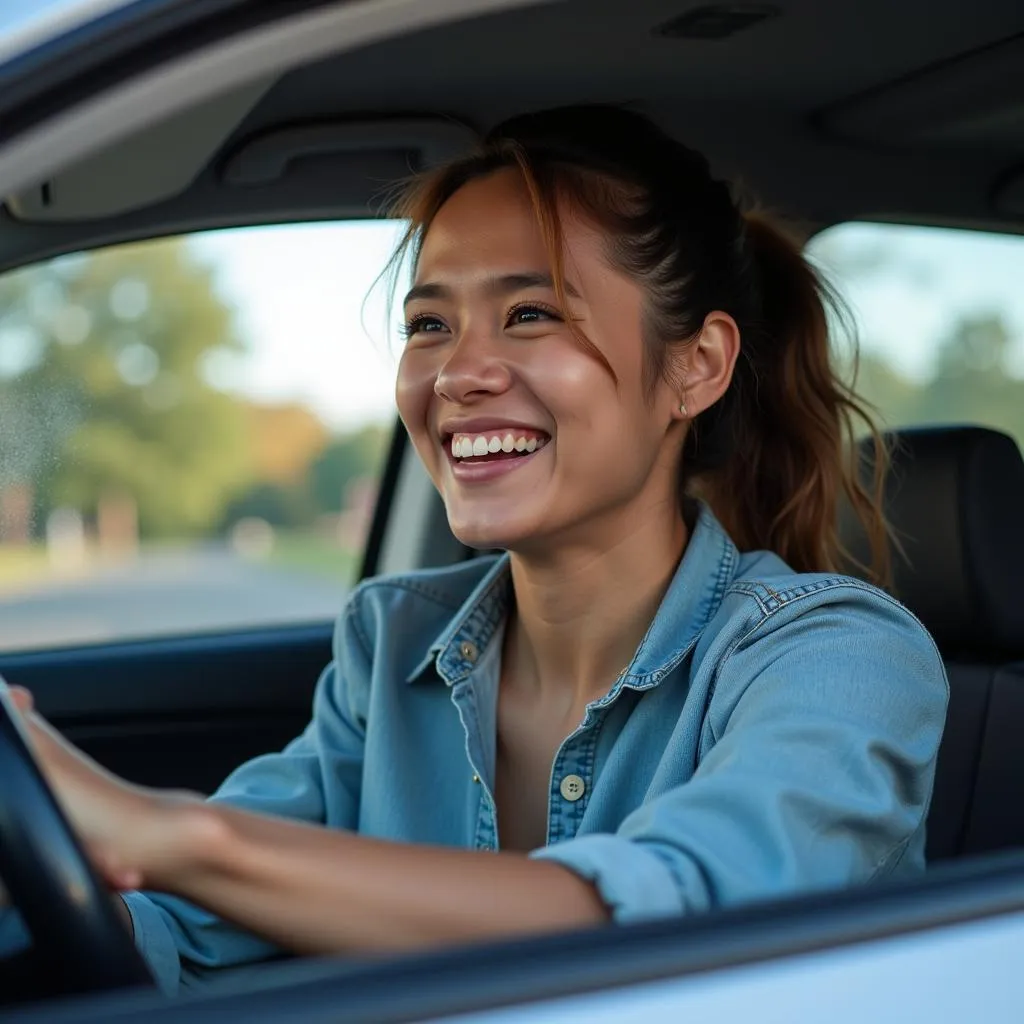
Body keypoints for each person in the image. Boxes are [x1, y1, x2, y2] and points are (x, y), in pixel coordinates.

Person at [1, 105, 947, 995]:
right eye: (429, 325)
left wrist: (168, 832)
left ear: (695, 366)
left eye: (530, 314)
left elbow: (681, 934)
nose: (458, 373)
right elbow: (185, 928)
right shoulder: (392, 642)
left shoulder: (842, 660)